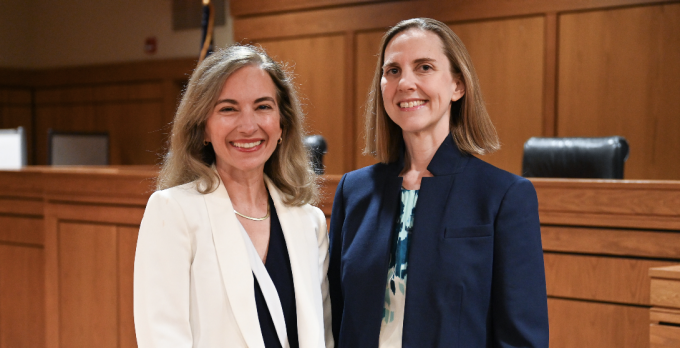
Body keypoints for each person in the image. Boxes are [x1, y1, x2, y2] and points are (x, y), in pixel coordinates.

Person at [328, 18, 548, 347]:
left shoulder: (503, 196)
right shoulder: (353, 191)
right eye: (393, 71)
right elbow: (334, 313)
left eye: (424, 67)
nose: (405, 83)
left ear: (457, 85)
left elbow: (522, 337)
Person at [134, 44, 333, 348]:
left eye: (263, 107)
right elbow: (163, 338)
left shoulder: (310, 221)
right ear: (202, 127)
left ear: (283, 125)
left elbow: (322, 334)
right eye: (228, 108)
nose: (248, 126)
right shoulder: (173, 212)